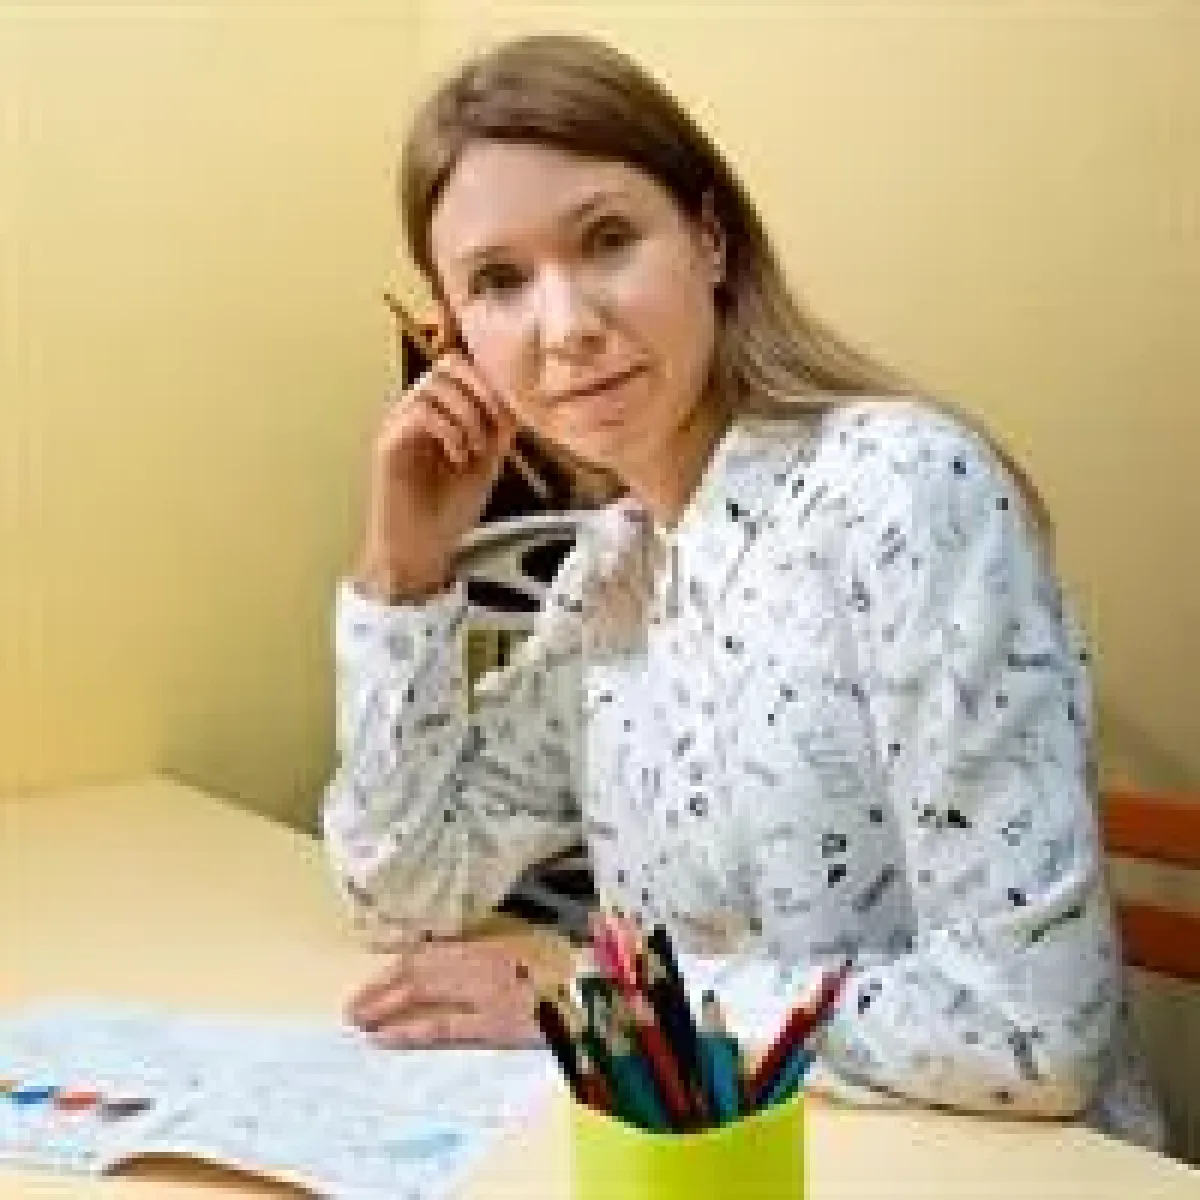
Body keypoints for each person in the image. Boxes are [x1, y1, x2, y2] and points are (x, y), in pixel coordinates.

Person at [321, 33, 1164, 1148]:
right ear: (456, 339)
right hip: (736, 1153)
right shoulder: (607, 572)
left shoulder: (903, 493)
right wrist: (402, 576)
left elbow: (1030, 1032)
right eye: (500, 283)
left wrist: (595, 1003)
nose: (568, 328)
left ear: (709, 240)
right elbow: (404, 888)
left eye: (608, 239)